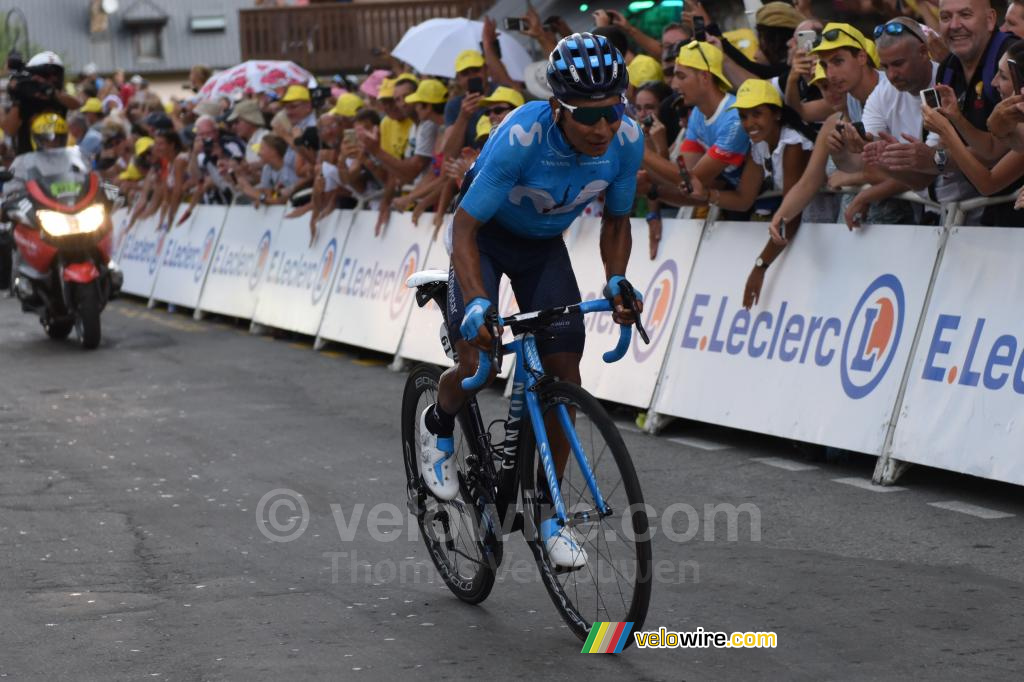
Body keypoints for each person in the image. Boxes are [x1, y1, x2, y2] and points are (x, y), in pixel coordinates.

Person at [417, 33, 644, 570]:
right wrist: (478, 301)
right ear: (558, 108)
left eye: (612, 112)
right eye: (588, 115)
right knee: (478, 364)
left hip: (542, 248)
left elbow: (616, 222)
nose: (603, 128)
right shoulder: (521, 136)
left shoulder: (627, 140)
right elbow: (465, 228)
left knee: (565, 378)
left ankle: (548, 514)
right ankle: (438, 422)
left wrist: (616, 279)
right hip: (485, 240)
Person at [643, 41, 750, 212]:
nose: (674, 85)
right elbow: (682, 177)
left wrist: (640, 150)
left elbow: (693, 181)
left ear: (705, 77)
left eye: (681, 76)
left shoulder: (734, 118)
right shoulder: (698, 114)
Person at [1, 51, 81, 155]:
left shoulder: (58, 97)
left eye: (56, 74)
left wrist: (50, 91)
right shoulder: (25, 100)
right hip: (28, 158)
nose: (53, 78)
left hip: (59, 157)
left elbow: (76, 104)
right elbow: (9, 130)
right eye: (47, 74)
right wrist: (18, 98)